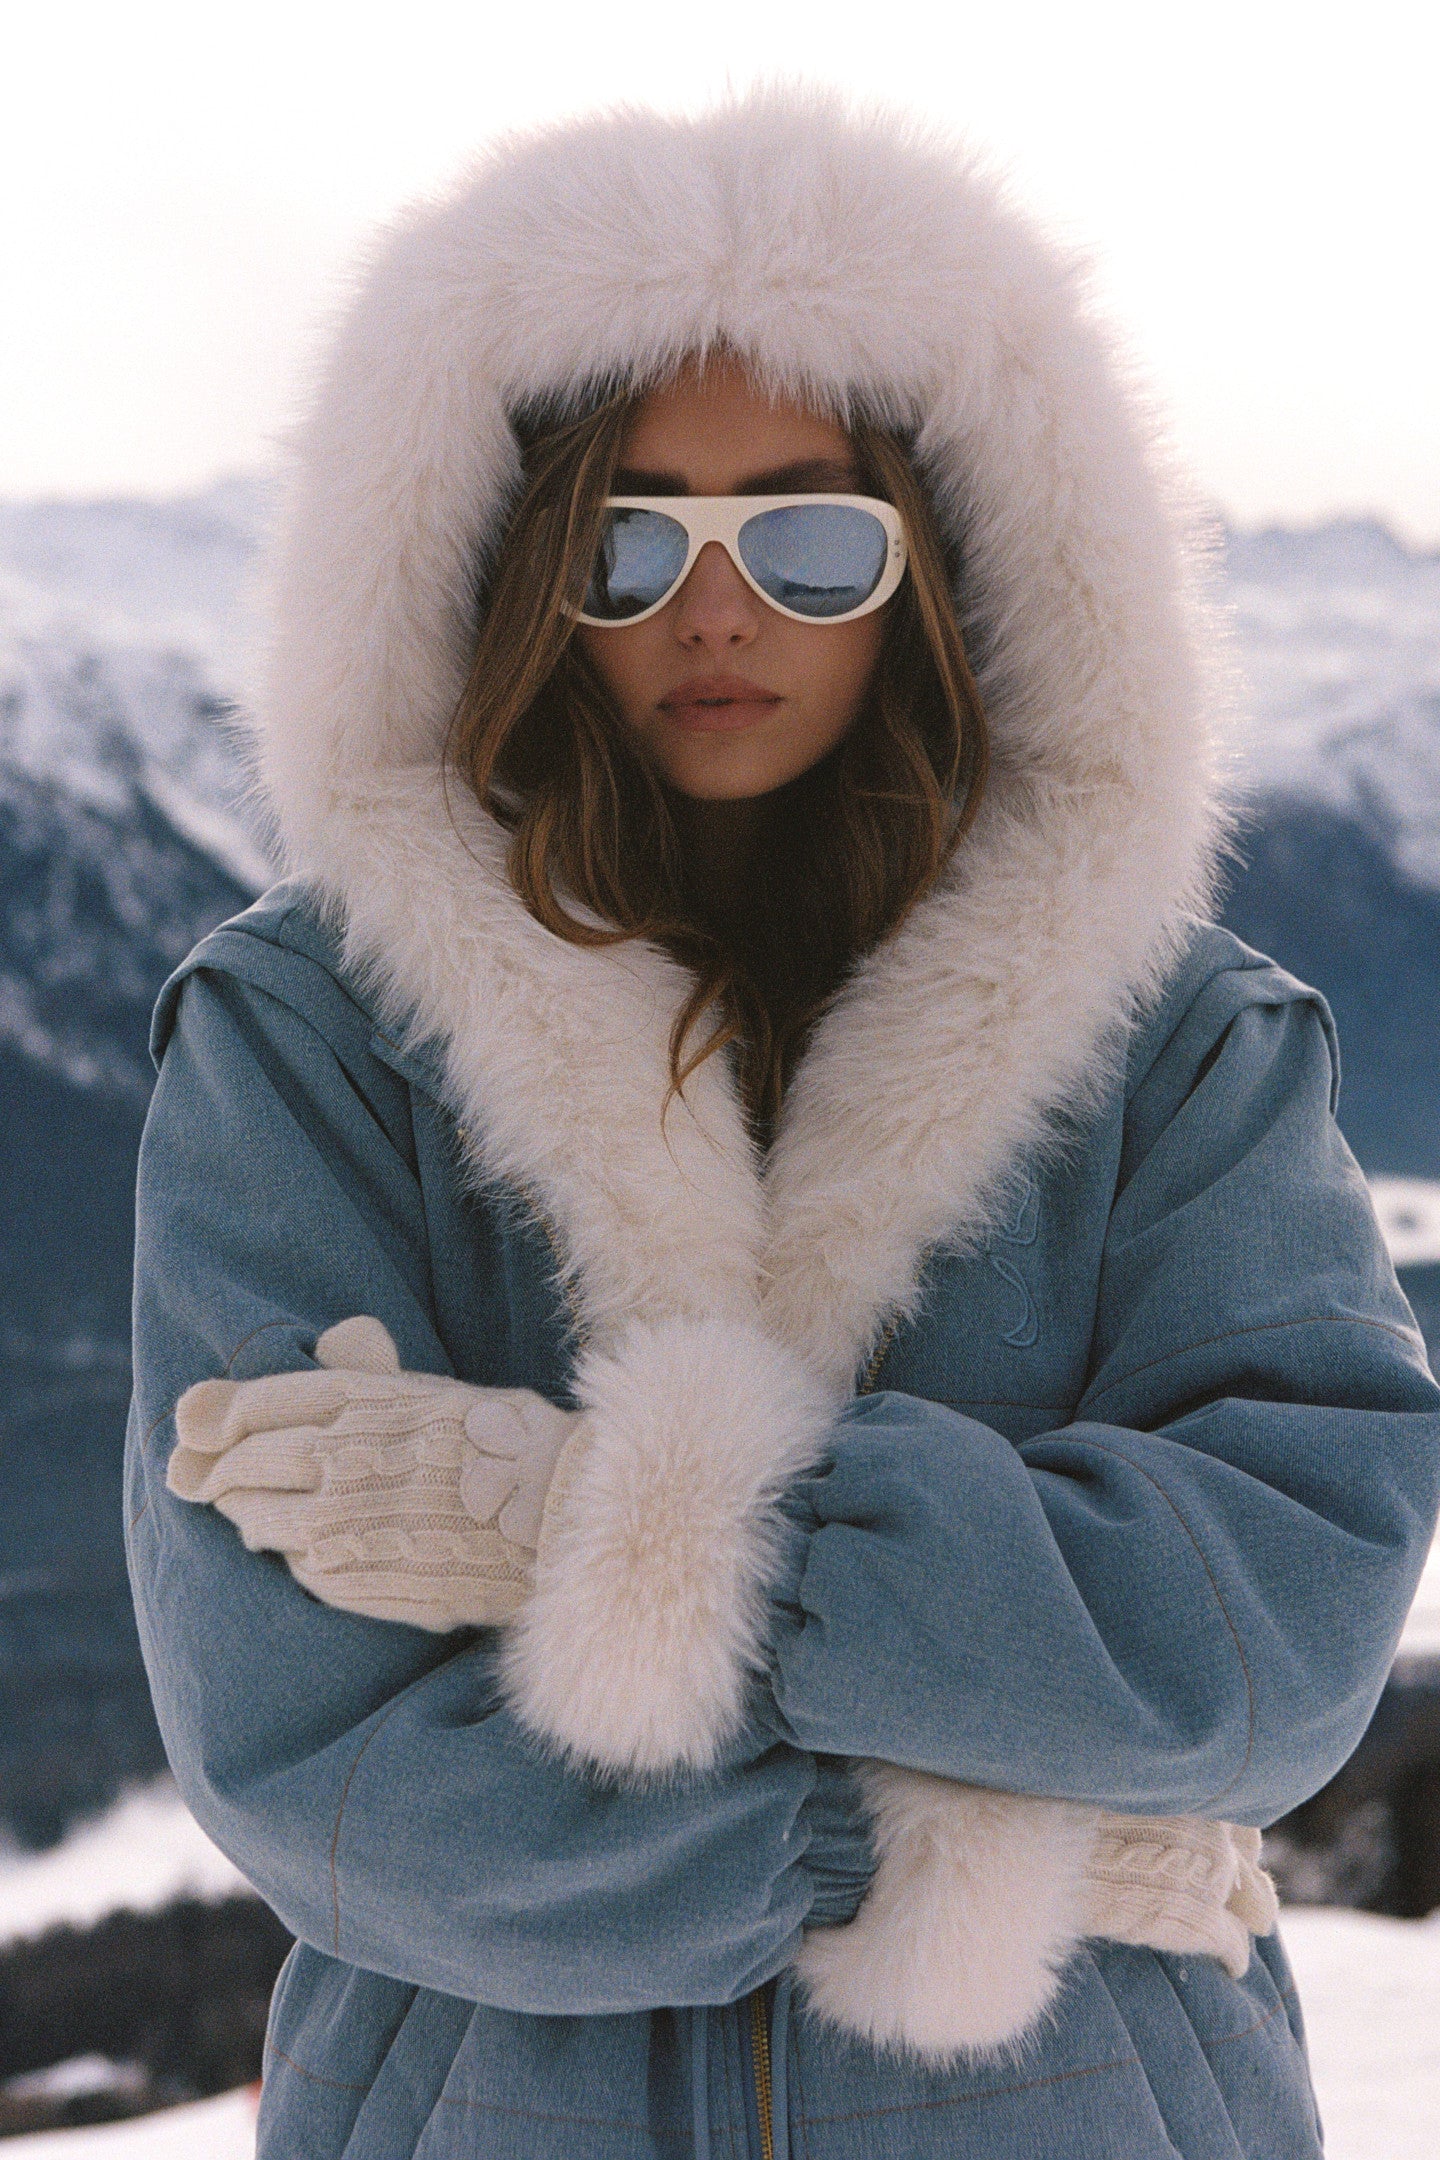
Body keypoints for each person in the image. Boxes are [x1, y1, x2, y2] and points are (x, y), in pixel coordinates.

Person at [126, 92, 1440, 2160]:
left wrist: (579, 1522)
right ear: (522, 566)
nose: (713, 611)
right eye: (628, 536)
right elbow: (317, 1758)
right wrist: (1009, 1828)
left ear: (946, 567)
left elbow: (1273, 1643)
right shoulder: (315, 1036)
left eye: (810, 536)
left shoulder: (1172, 1039)